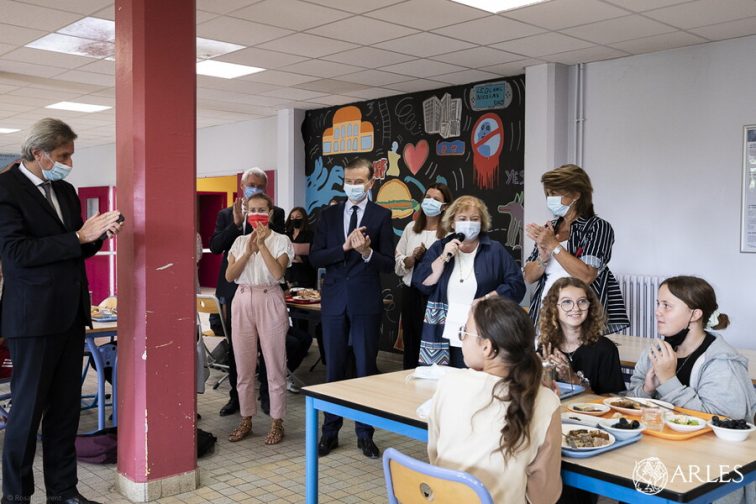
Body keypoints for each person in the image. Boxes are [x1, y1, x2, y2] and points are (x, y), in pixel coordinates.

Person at [0, 118, 123, 504]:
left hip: (70, 315)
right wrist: (78, 236)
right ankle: (15, 496)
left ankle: (64, 492)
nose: (69, 162)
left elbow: (75, 247)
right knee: (27, 412)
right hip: (32, 319)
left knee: (65, 411)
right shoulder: (6, 190)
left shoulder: (66, 191)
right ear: (38, 153)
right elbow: (16, 253)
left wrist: (97, 235)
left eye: (70, 154)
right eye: (63, 155)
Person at [428, 297, 562, 504]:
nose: (462, 338)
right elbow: (544, 497)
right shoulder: (546, 400)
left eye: (464, 332)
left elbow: (435, 456)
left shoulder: (448, 383)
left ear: (487, 347)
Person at [310, 157, 394, 459]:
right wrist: (344, 248)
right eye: (348, 181)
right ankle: (329, 432)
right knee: (333, 368)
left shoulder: (381, 215)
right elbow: (316, 257)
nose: (353, 186)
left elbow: (389, 264)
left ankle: (365, 434)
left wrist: (367, 252)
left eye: (359, 181)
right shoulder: (328, 215)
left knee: (365, 369)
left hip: (365, 302)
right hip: (334, 300)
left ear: (371, 183)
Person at [413, 195, 525, 368]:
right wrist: (443, 257)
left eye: (474, 219)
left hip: (481, 334)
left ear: (482, 223)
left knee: (474, 380)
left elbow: (517, 285)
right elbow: (422, 283)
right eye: (462, 219)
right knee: (441, 381)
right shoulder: (439, 247)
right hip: (442, 334)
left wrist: (488, 299)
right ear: (452, 223)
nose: (469, 223)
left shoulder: (495, 250)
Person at [209, 167, 284, 417]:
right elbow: (216, 246)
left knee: (268, 348)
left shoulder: (276, 213)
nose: (255, 189)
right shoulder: (225, 214)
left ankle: (267, 397)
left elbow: (279, 243)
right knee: (238, 348)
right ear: (242, 187)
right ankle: (236, 398)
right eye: (251, 185)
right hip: (235, 289)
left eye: (260, 186)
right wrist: (236, 224)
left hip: (266, 286)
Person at [628, 276, 756, 421]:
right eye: (658, 304)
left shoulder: (721, 362)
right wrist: (646, 390)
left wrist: (668, 381)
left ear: (695, 314)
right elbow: (628, 403)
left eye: (667, 306)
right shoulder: (654, 351)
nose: (657, 311)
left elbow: (722, 420)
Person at [524, 164, 629, 333]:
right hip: (544, 317)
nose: (551, 199)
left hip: (580, 320)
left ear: (577, 194)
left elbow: (586, 275)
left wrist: (554, 245)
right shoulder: (550, 229)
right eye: (548, 194)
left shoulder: (597, 227)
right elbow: (529, 277)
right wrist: (542, 258)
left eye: (556, 193)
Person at [224, 192, 293, 444]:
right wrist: (248, 251)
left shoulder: (281, 240)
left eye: (262, 210)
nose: (257, 214)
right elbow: (230, 276)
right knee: (243, 366)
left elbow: (277, 273)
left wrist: (262, 246)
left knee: (275, 364)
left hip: (270, 298)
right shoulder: (240, 241)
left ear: (270, 213)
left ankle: (277, 421)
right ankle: (246, 418)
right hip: (242, 298)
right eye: (252, 210)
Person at [394, 183, 452, 369]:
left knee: (432, 339)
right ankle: (409, 375)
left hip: (435, 295)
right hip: (410, 292)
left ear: (444, 206)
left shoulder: (449, 233)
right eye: (428, 197)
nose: (430, 202)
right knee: (411, 340)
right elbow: (398, 260)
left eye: (436, 199)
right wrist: (410, 260)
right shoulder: (411, 228)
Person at [539, 277, 625, 395]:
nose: (576, 308)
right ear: (553, 308)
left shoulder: (605, 349)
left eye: (582, 301)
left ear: (590, 306)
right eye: (567, 302)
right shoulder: (546, 347)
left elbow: (611, 399)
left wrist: (572, 379)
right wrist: (544, 374)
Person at [284, 207, 316, 289]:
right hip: (288, 276)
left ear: (303, 218)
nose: (294, 219)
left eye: (298, 217)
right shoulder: (286, 235)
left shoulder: (311, 235)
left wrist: (298, 257)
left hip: (305, 276)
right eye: (292, 217)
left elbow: (314, 256)